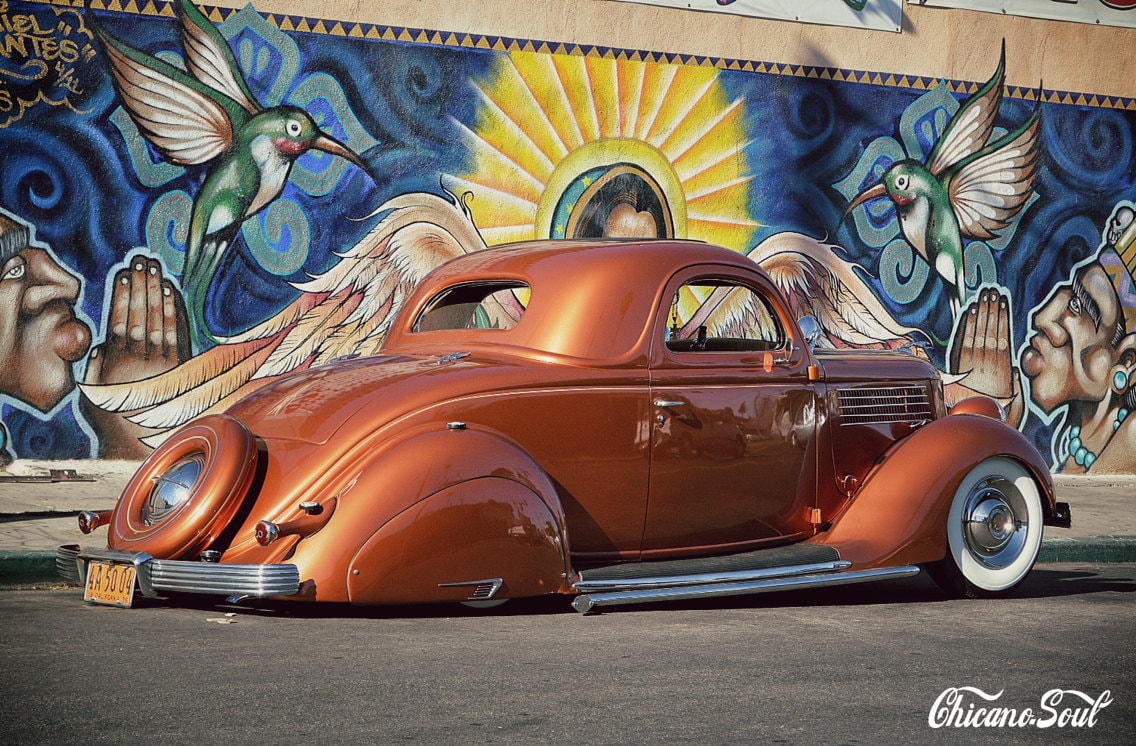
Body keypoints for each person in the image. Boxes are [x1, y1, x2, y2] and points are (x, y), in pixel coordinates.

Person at [950, 201, 1136, 473]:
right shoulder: (1085, 442)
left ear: (1127, 361)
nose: (1042, 318)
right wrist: (1001, 430)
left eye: (1078, 307)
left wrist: (982, 428)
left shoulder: (1131, 437)